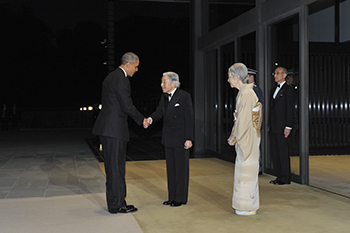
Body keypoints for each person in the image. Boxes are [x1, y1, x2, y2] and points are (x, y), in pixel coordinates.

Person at [92, 52, 148, 214]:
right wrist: (142, 119)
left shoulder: (110, 77)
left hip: (107, 129)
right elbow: (127, 105)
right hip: (114, 129)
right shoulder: (122, 79)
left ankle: (115, 203)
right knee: (116, 168)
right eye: (136, 67)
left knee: (112, 168)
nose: (136, 70)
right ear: (128, 64)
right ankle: (118, 205)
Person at [145, 72, 194, 207]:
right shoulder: (164, 97)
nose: (162, 85)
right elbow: (159, 112)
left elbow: (189, 118)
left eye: (164, 82)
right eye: (162, 82)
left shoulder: (184, 96)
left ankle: (180, 198)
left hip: (181, 139)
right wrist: (150, 119)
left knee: (181, 170)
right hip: (168, 138)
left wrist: (189, 138)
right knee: (171, 169)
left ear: (174, 83)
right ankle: (172, 197)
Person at [227, 63, 262, 216]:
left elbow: (244, 119)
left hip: (248, 137)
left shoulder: (247, 93)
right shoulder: (244, 91)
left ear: (236, 77)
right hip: (246, 136)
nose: (228, 80)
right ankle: (244, 204)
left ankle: (248, 206)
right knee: (244, 171)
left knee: (247, 172)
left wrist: (234, 135)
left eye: (229, 77)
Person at [268, 66, 296, 185]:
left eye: (277, 73)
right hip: (274, 126)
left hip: (283, 127)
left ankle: (285, 177)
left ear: (284, 75)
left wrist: (288, 126)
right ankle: (279, 176)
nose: (275, 75)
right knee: (275, 152)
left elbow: (290, 109)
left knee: (283, 152)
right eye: (274, 73)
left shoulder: (288, 90)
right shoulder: (273, 89)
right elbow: (272, 109)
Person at [247, 68, 264, 175]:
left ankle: (258, 168)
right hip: (249, 123)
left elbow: (259, 107)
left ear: (251, 77)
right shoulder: (247, 89)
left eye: (247, 76)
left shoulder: (255, 90)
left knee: (256, 147)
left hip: (254, 124)